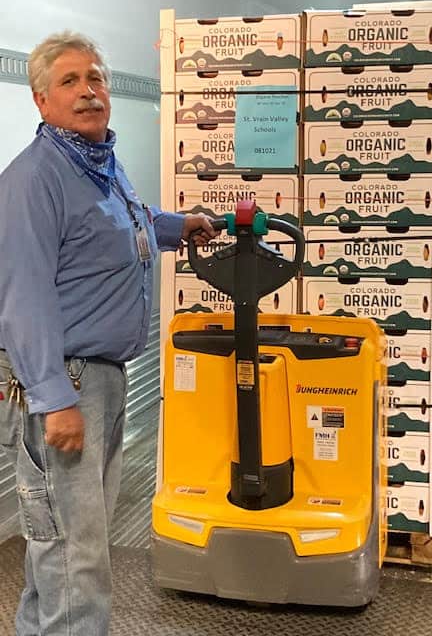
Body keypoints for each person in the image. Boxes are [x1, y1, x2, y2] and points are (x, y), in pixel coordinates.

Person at [0, 31, 216, 635]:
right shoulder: (33, 180)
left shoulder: (98, 162)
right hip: (66, 385)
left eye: (95, 78)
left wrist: (185, 226)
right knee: (77, 553)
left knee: (63, 547)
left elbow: (130, 223)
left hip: (103, 380)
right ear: (41, 100)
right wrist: (54, 399)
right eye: (69, 81)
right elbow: (23, 299)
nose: (88, 91)